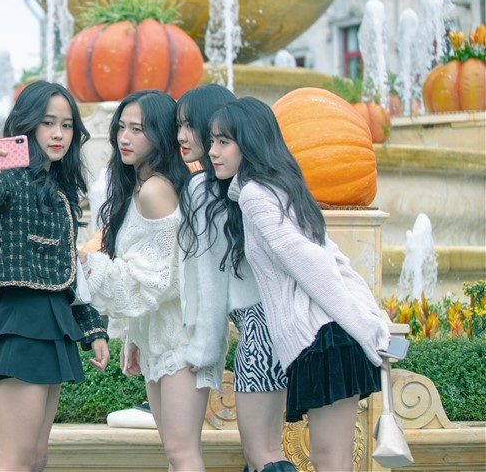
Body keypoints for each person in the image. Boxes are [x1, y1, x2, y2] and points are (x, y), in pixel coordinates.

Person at [208, 97, 390, 472]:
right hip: (331, 338)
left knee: (330, 460)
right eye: (212, 141)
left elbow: (313, 264)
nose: (213, 151)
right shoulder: (283, 188)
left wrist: (367, 327)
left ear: (251, 141)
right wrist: (370, 319)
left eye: (224, 142)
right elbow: (333, 259)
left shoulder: (256, 195)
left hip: (323, 340)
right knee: (334, 459)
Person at [0, 81, 110, 472]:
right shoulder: (11, 175)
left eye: (66, 125)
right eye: (47, 123)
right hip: (22, 326)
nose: (58, 134)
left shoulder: (60, 189)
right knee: (16, 461)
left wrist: (93, 329)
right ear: (28, 125)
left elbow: (69, 271)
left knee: (36, 458)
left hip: (52, 322)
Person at [79, 89, 211, 471]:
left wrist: (86, 264)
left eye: (137, 129)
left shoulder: (156, 190)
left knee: (182, 452)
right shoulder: (139, 186)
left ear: (160, 135)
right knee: (175, 451)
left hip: (181, 338)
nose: (125, 137)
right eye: (121, 127)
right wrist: (135, 336)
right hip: (160, 337)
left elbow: (160, 279)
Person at [176, 85, 295, 472]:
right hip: (285, 325)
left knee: (261, 453)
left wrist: (205, 348)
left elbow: (212, 279)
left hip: (257, 329)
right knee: (269, 448)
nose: (183, 136)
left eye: (191, 126)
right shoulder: (260, 183)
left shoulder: (205, 189)